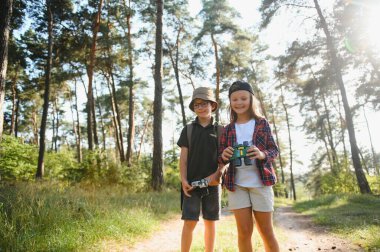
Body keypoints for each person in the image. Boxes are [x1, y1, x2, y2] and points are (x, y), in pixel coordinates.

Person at [219, 81, 280, 252]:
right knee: (244, 232)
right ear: (230, 102)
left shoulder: (261, 123)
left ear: (251, 99)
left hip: (261, 183)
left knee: (266, 231)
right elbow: (220, 157)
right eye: (235, 99)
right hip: (236, 185)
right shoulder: (228, 129)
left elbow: (274, 150)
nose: (239, 102)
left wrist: (261, 155)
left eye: (243, 98)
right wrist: (223, 156)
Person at [177, 87, 223, 252]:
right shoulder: (188, 130)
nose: (201, 107)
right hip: (191, 185)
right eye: (197, 105)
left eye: (204, 103)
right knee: (190, 221)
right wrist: (183, 180)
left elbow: (225, 160)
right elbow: (183, 159)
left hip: (213, 185)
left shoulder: (220, 130)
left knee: (210, 222)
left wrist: (217, 175)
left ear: (212, 105)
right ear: (193, 108)